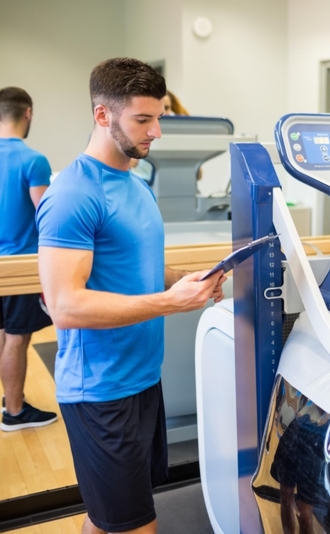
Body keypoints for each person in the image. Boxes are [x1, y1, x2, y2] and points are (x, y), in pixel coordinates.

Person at [36, 58, 226, 534]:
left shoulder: (137, 184)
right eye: (143, 119)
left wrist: (187, 279)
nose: (157, 131)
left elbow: (137, 271)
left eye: (159, 116)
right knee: (137, 526)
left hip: (143, 379)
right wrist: (169, 303)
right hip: (101, 391)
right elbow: (65, 304)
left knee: (107, 520)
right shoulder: (73, 194)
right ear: (103, 116)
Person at [0, 86, 58, 432]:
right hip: (20, 265)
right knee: (18, 339)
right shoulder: (33, 160)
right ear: (28, 113)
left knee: (3, 334)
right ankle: (15, 410)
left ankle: (9, 399)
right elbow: (47, 215)